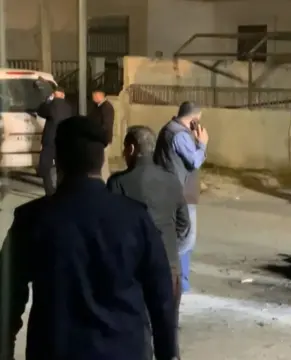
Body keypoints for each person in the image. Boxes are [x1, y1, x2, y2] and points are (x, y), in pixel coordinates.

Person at [0, 116, 177, 360]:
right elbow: (162, 298)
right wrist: (169, 354)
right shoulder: (135, 219)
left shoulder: (31, 219)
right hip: (124, 351)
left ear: (58, 160)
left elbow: (6, 299)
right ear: (101, 160)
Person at [107, 125, 190, 359]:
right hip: (170, 266)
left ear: (131, 149)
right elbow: (184, 224)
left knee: (141, 331)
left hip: (135, 270)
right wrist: (171, 249)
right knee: (168, 327)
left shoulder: (118, 183)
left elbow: (111, 229)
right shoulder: (172, 181)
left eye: (125, 149)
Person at [154, 101, 208, 294]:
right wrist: (202, 144)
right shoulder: (179, 135)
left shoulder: (170, 129)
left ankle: (181, 280)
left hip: (174, 191)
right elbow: (194, 161)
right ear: (193, 120)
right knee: (186, 239)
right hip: (182, 194)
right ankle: (171, 274)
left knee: (182, 237)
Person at [36, 85, 72, 195]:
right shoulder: (68, 107)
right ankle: (61, 189)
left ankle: (50, 191)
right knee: (61, 167)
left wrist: (48, 101)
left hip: (50, 140)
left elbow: (40, 111)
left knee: (45, 166)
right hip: (63, 140)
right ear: (63, 95)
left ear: (55, 94)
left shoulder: (51, 105)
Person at [88, 88, 115, 181]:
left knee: (103, 163)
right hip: (99, 139)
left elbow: (106, 125)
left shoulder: (106, 107)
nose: (93, 98)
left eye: (94, 96)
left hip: (103, 140)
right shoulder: (98, 107)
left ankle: (105, 181)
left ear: (99, 95)